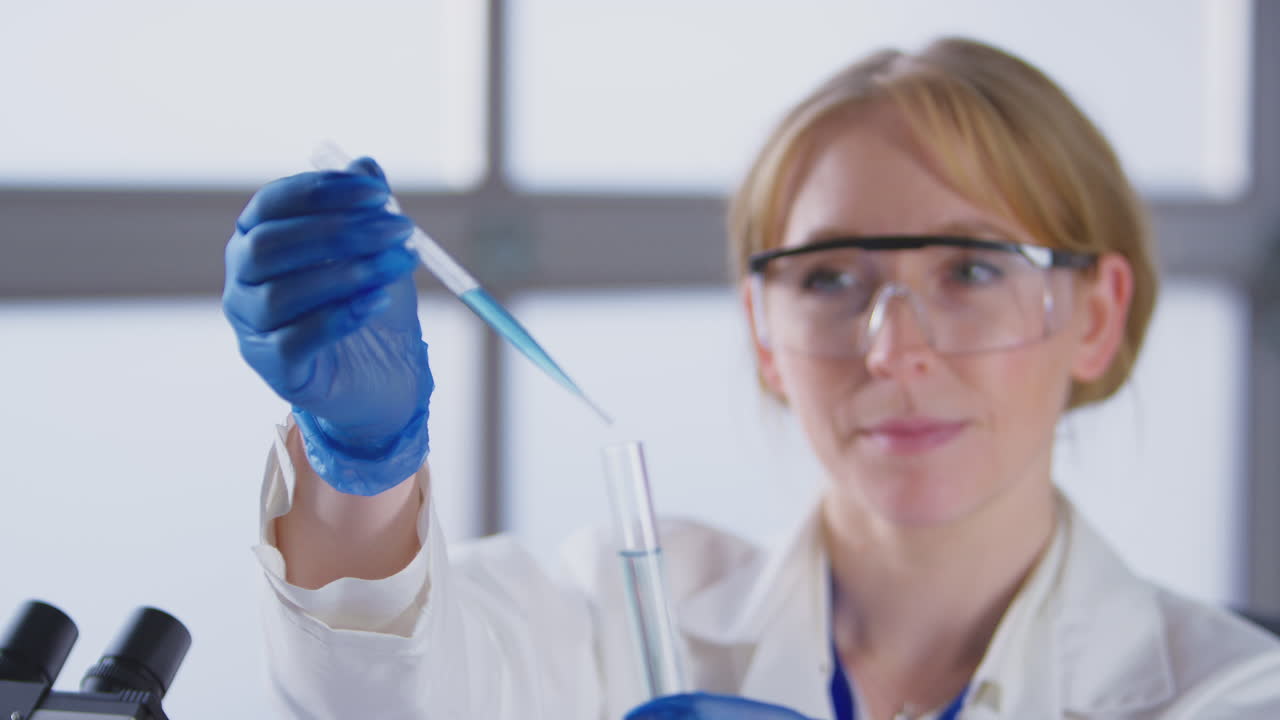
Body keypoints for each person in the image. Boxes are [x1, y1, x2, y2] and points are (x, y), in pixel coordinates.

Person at [222, 37, 1280, 719]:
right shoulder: (619, 611)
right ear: (763, 332)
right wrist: (362, 467)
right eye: (829, 278)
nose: (891, 350)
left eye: (970, 270)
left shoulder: (1229, 690)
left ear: (1094, 315)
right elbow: (394, 694)